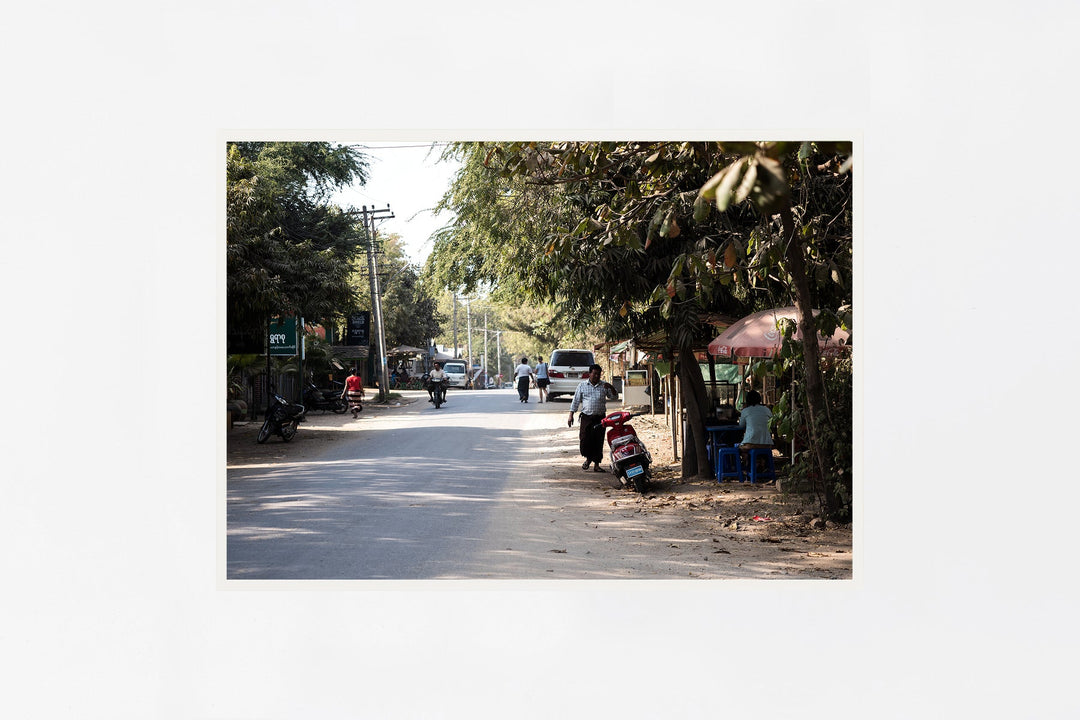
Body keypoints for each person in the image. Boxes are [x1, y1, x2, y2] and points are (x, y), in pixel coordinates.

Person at [567, 364, 618, 472]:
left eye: (598, 374)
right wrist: (571, 415)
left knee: (598, 441)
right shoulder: (582, 385)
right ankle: (588, 459)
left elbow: (614, 397)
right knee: (585, 440)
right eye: (594, 373)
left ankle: (596, 465)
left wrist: (611, 387)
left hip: (600, 418)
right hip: (586, 417)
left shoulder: (604, 386)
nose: (596, 376)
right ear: (589, 373)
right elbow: (575, 401)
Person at [737, 389, 773, 474]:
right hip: (767, 443)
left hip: (750, 443)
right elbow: (772, 423)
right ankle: (762, 465)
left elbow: (741, 425)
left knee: (740, 449)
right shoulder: (766, 410)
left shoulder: (745, 411)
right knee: (758, 449)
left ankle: (747, 468)